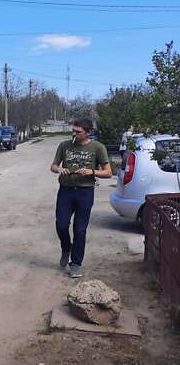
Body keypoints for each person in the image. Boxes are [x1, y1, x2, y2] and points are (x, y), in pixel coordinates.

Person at [50, 118, 112, 278]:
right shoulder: (64, 145)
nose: (74, 134)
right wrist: (60, 169)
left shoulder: (98, 147)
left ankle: (76, 264)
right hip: (65, 191)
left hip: (85, 192)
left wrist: (92, 172)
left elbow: (108, 172)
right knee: (61, 225)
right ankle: (66, 247)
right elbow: (53, 165)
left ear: (88, 132)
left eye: (78, 132)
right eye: (73, 130)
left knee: (80, 229)